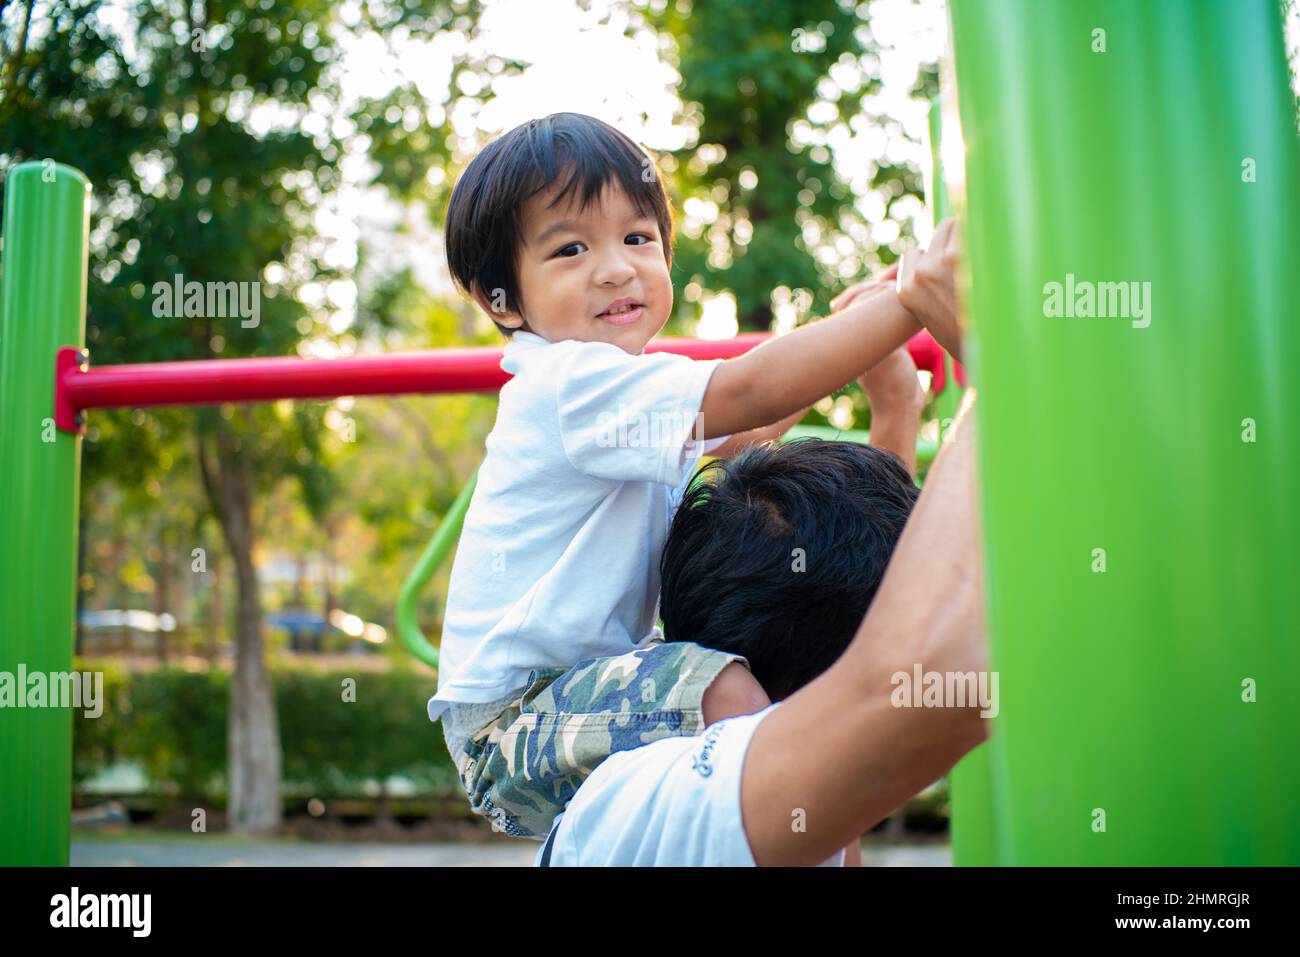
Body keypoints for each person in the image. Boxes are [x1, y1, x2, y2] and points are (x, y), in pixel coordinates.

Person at [426, 111, 954, 841]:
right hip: (517, 722)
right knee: (734, 697)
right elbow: (744, 394)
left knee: (762, 701)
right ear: (501, 299)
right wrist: (908, 303)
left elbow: (751, 426)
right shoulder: (568, 384)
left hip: (585, 697)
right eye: (571, 248)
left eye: (638, 238)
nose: (616, 267)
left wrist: (883, 370)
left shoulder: (623, 397)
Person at [537, 388, 986, 866]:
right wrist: (994, 373)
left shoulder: (776, 800)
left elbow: (880, 630)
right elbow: (914, 676)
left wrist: (896, 407)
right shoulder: (658, 803)